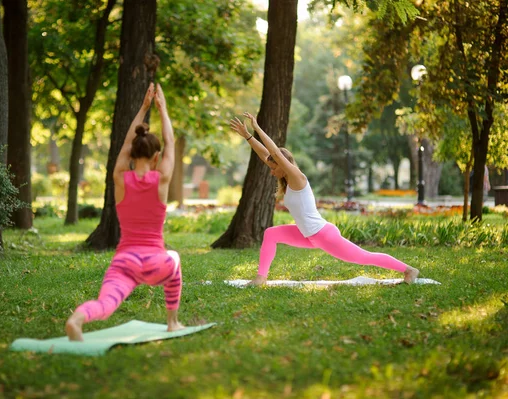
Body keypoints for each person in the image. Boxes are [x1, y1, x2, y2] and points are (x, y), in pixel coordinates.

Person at [230, 112, 420, 286]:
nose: (271, 171)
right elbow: (267, 155)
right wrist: (248, 136)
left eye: (273, 167)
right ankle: (261, 278)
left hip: (322, 234)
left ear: (282, 164)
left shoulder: (298, 178)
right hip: (309, 235)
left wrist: (258, 128)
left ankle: (409, 270)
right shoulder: (286, 179)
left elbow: (276, 154)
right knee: (271, 234)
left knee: (363, 257)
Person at [66, 83, 184, 341]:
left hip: (125, 262)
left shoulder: (120, 178)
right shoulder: (161, 179)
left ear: (131, 153)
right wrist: (161, 109)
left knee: (105, 304)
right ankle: (172, 322)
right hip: (156, 262)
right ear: (156, 158)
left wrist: (143, 108)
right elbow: (171, 142)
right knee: (174, 259)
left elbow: (124, 145)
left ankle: (77, 319)